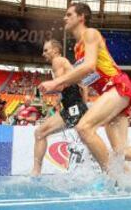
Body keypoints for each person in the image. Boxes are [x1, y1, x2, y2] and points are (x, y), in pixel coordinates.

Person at [39, 2, 131, 176]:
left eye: (69, 15)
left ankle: (111, 177)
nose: (64, 18)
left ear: (81, 17)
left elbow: (90, 66)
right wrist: (65, 82)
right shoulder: (77, 49)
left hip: (117, 86)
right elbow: (90, 73)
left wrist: (55, 82)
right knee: (121, 153)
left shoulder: (90, 34)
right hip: (112, 91)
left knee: (84, 128)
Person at [31, 39, 88, 176]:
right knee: (88, 139)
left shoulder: (58, 61)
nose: (43, 53)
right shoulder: (63, 62)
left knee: (40, 133)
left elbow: (61, 85)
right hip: (75, 106)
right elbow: (80, 86)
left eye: (46, 50)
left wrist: (45, 89)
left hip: (73, 108)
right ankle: (109, 166)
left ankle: (35, 173)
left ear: (55, 50)